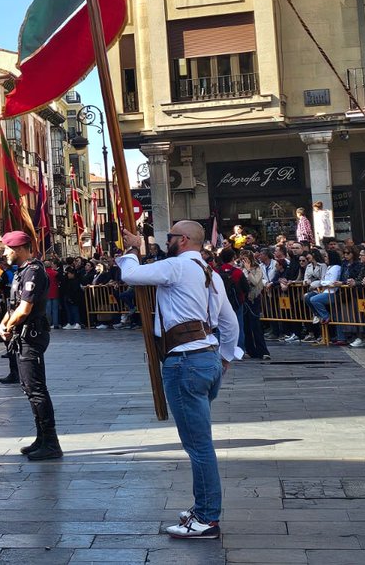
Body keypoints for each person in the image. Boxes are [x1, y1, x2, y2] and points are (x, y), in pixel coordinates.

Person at [119, 222, 238, 540]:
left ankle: (207, 517)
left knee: (199, 446)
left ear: (183, 240)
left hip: (186, 362)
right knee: (199, 443)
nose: (166, 241)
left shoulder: (178, 266)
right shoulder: (209, 272)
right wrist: (224, 357)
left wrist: (133, 250)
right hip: (207, 358)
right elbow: (229, 321)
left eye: (169, 237)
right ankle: (203, 508)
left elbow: (130, 275)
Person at [0, 231, 60, 461]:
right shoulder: (22, 272)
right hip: (23, 335)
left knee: (36, 390)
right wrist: (3, 324)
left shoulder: (34, 271)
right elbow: (13, 305)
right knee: (29, 388)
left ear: (19, 249)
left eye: (7, 249)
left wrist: (9, 326)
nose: (4, 253)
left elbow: (24, 309)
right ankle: (42, 437)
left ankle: (51, 442)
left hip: (32, 335)